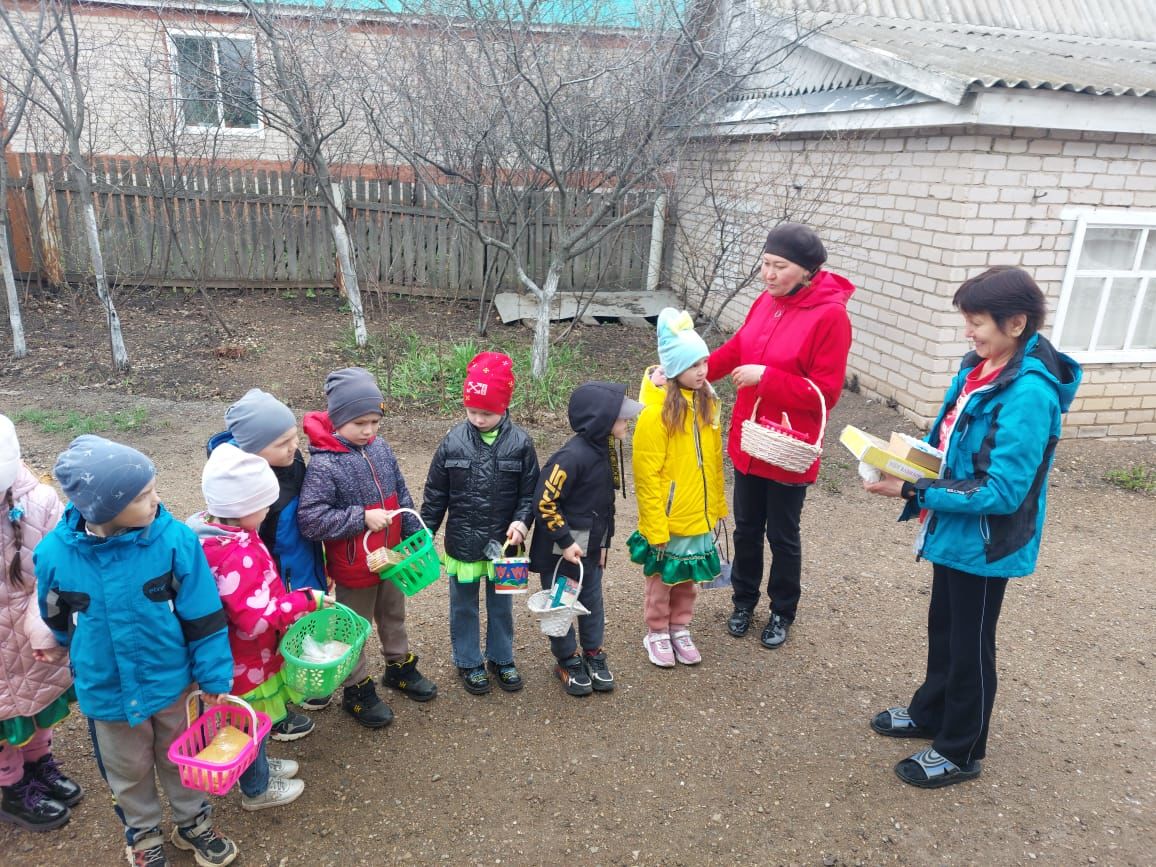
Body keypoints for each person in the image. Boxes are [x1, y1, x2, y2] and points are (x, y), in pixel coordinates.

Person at [864, 267, 1081, 788]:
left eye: (977, 322)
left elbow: (1001, 490)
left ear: (1015, 323)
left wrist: (914, 491)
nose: (969, 332)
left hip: (988, 542)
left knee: (972, 642)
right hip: (954, 530)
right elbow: (950, 444)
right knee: (945, 628)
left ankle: (961, 748)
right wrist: (908, 463)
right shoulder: (976, 369)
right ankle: (931, 712)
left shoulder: (1029, 393)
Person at [36, 436, 237, 867]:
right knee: (126, 770)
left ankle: (193, 821)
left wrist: (216, 677)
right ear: (104, 507)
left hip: (172, 683)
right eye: (143, 494)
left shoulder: (175, 541)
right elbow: (54, 612)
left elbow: (204, 616)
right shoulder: (55, 554)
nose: (156, 500)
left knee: (184, 755)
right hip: (106, 689)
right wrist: (65, 645)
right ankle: (142, 831)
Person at [707, 223, 854, 649]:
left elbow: (826, 394)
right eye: (765, 264)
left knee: (783, 535)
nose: (767, 274)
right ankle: (743, 601)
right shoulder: (764, 302)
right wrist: (691, 372)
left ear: (807, 271)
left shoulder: (830, 316)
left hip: (789, 446)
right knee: (746, 529)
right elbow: (737, 350)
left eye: (779, 266)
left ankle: (781, 611)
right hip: (751, 440)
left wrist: (767, 377)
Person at [298, 367, 437, 728]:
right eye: (360, 423)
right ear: (339, 419)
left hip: (391, 558)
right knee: (353, 627)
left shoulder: (380, 448)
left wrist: (409, 534)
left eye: (375, 421)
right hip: (354, 567)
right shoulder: (324, 464)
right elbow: (311, 519)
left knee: (393, 613)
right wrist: (361, 516)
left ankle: (398, 665)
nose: (369, 430)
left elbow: (402, 492)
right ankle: (356, 689)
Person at [189, 444, 325, 811]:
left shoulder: (221, 536)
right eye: (264, 506)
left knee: (253, 722)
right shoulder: (237, 554)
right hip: (246, 660)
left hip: (241, 656)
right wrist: (302, 601)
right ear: (244, 507)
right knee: (247, 723)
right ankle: (257, 788)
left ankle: (260, 764)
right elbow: (255, 619)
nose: (268, 512)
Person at [208, 387, 331, 724]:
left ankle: (299, 685)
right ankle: (275, 711)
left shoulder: (293, 464)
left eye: (293, 437)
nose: (293, 447)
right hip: (274, 579)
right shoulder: (239, 495)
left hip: (303, 560)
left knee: (304, 626)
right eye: (281, 443)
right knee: (274, 639)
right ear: (251, 451)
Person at [421, 352, 540, 695]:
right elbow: (435, 493)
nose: (477, 419)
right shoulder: (452, 441)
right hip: (463, 543)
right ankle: (469, 660)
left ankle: (502, 657)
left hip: (507, 546)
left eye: (486, 413)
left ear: (504, 407)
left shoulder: (521, 444)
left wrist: (522, 522)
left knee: (502, 603)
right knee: (464, 604)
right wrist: (426, 530)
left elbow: (529, 492)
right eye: (471, 411)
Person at [529, 382, 642, 697]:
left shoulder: (604, 450)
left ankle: (593, 652)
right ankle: (567, 659)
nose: (627, 423)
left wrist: (603, 544)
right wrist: (565, 541)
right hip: (564, 547)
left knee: (592, 600)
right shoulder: (571, 457)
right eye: (622, 418)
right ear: (601, 422)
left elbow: (603, 506)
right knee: (562, 603)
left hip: (591, 544)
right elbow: (544, 502)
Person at [628, 310, 726, 668]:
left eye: (704, 361)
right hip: (668, 519)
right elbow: (647, 474)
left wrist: (715, 507)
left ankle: (680, 627)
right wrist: (654, 524)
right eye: (693, 364)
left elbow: (713, 461)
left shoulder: (707, 403)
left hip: (697, 514)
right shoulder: (655, 416)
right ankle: (656, 630)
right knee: (662, 580)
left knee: (689, 578)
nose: (702, 370)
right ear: (672, 369)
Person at [0, 415, 81, 832]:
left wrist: (47, 624)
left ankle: (39, 764)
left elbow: (58, 565)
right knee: (6, 719)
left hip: (32, 637)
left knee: (36, 707)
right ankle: (13, 788)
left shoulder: (42, 501)